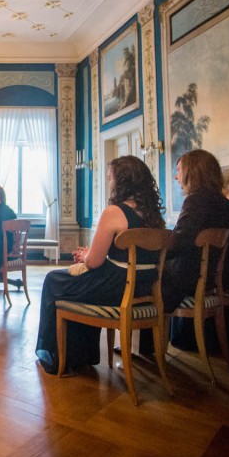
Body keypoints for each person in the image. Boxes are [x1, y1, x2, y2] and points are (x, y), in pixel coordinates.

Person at [35, 156, 165, 374]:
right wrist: (91, 255)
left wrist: (86, 256)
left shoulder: (115, 212)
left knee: (54, 280)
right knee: (72, 283)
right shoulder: (155, 217)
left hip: (116, 287)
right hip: (143, 287)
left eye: (110, 178)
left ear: (121, 181)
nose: (109, 182)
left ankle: (59, 356)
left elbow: (95, 262)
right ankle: (83, 354)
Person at [159, 151, 229, 353]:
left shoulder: (196, 200)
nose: (177, 177)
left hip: (189, 279)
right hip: (211, 280)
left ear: (192, 171)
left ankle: (148, 350)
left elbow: (180, 242)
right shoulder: (225, 203)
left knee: (141, 278)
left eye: (179, 170)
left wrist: (153, 255)